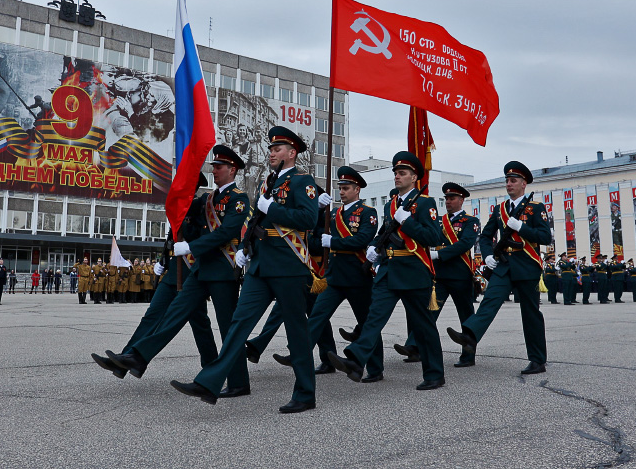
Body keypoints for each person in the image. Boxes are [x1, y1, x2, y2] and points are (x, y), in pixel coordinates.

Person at [171, 127, 320, 414]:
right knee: (239, 325)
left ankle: (305, 393)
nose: (272, 152)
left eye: (278, 149)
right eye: (271, 148)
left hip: (288, 266)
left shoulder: (303, 181)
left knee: (296, 332)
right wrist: (245, 247)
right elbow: (256, 223)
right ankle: (210, 382)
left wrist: (272, 208)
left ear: (292, 153)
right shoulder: (269, 183)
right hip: (260, 264)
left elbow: (308, 218)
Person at [105, 146, 251, 396]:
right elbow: (179, 211)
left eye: (218, 167)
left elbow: (226, 233)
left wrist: (191, 246)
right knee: (174, 314)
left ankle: (238, 383)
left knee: (228, 328)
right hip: (201, 270)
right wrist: (183, 183)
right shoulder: (208, 199)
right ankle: (139, 356)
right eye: (213, 166)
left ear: (232, 169)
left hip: (223, 272)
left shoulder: (239, 198)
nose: (214, 170)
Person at [325, 151, 446, 390]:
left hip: (414, 271)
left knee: (423, 326)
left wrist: (408, 221)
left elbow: (434, 236)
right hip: (389, 269)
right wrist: (373, 248)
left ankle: (434, 373)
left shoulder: (425, 203)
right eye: (396, 173)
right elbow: (385, 233)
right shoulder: (392, 204)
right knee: (373, 319)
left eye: (402, 173)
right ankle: (356, 362)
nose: (397, 177)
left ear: (414, 177)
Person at [92, 174, 219, 381]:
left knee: (200, 324)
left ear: (192, 186)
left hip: (191, 272)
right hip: (173, 272)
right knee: (152, 316)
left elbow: (195, 236)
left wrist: (184, 214)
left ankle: (213, 369)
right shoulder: (177, 206)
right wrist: (163, 261)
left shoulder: (200, 207)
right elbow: (171, 238)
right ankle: (124, 359)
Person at [265, 167, 381, 379]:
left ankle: (375, 368)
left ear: (357, 190)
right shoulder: (334, 213)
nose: (342, 192)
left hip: (357, 277)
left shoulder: (367, 213)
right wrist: (317, 210)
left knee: (366, 322)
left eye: (346, 188)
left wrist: (333, 241)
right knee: (317, 316)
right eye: (341, 188)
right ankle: (299, 354)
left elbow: (362, 240)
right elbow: (314, 232)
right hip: (334, 276)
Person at [448, 161, 552, 376]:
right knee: (489, 301)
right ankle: (469, 334)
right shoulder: (500, 209)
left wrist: (521, 227)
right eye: (507, 180)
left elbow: (544, 237)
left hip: (527, 265)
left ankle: (537, 360)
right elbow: (485, 236)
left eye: (513, 180)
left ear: (523, 184)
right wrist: (487, 255)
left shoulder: (536, 208)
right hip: (504, 265)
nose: (508, 184)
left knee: (530, 313)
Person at [395, 182, 480, 368]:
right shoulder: (440, 221)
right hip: (440, 274)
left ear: (461, 200)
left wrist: (439, 254)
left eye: (452, 198)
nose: (448, 202)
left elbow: (465, 243)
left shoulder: (471, 221)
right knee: (429, 313)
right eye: (446, 199)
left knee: (466, 315)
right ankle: (413, 346)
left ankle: (468, 355)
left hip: (460, 274)